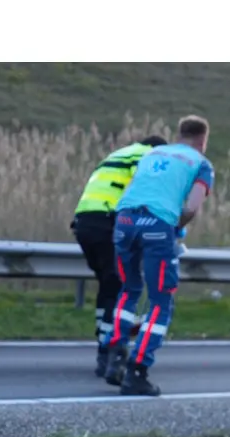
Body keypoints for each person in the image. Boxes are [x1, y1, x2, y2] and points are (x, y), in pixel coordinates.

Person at [101, 116, 215, 396]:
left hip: (124, 221)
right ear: (203, 140)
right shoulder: (201, 164)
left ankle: (114, 355)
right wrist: (174, 228)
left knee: (129, 289)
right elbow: (191, 208)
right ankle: (137, 370)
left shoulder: (153, 154)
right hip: (157, 225)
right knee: (160, 301)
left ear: (179, 134)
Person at [70, 135, 168, 377]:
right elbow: (143, 191)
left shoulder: (120, 154)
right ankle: (109, 353)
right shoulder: (147, 156)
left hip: (84, 223)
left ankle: (104, 343)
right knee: (121, 286)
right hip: (107, 221)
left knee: (109, 285)